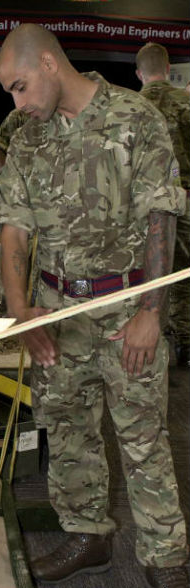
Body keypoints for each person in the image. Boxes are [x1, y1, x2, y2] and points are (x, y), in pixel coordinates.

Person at [0, 24, 189, 588]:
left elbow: (162, 214)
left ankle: (167, 560)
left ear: (50, 64)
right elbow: (14, 229)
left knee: (143, 438)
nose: (17, 102)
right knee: (68, 431)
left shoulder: (136, 119)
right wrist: (23, 311)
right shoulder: (26, 140)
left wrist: (151, 313)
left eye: (21, 86)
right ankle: (87, 536)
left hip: (129, 308)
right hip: (58, 311)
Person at [135, 42, 190, 367]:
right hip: (186, 202)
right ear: (168, 69)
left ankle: (156, 338)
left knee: (152, 275)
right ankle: (184, 342)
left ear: (139, 73)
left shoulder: (131, 109)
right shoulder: (185, 104)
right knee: (184, 276)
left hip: (146, 211)